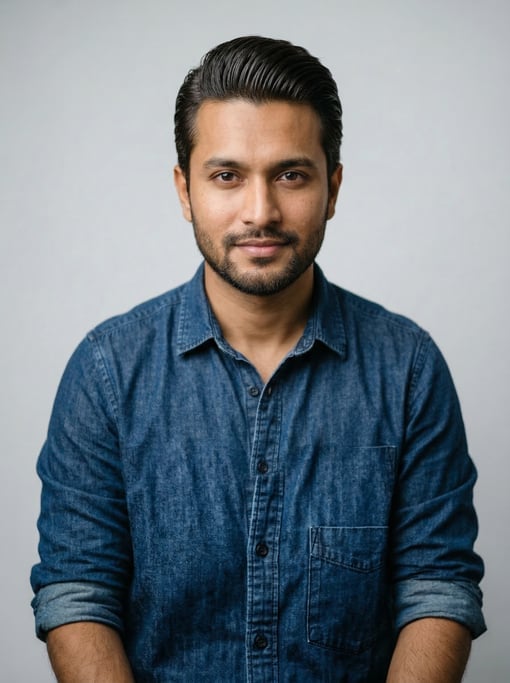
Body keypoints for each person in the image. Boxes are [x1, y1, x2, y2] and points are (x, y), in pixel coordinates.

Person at [31, 36, 486, 682]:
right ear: (185, 190)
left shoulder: (408, 369)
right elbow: (78, 592)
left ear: (333, 187)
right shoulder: (106, 372)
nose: (260, 211)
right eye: (227, 175)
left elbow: (437, 588)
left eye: (291, 174)